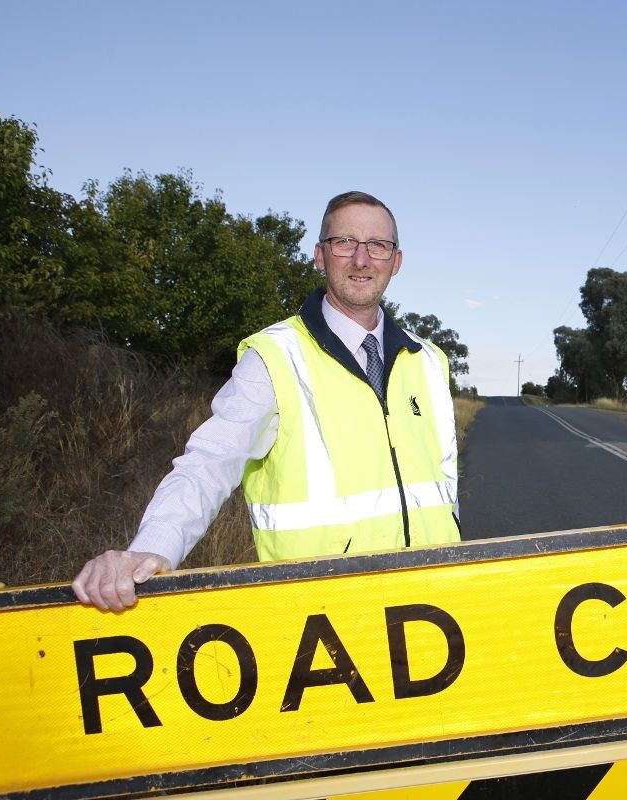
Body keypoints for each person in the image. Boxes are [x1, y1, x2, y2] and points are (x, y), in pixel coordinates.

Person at [72, 191, 460, 611]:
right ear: (319, 255)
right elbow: (209, 462)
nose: (362, 260)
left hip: (432, 601)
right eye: (344, 242)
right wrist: (151, 548)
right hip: (324, 613)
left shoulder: (430, 361)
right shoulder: (274, 357)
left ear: (396, 261)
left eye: (378, 246)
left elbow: (444, 482)